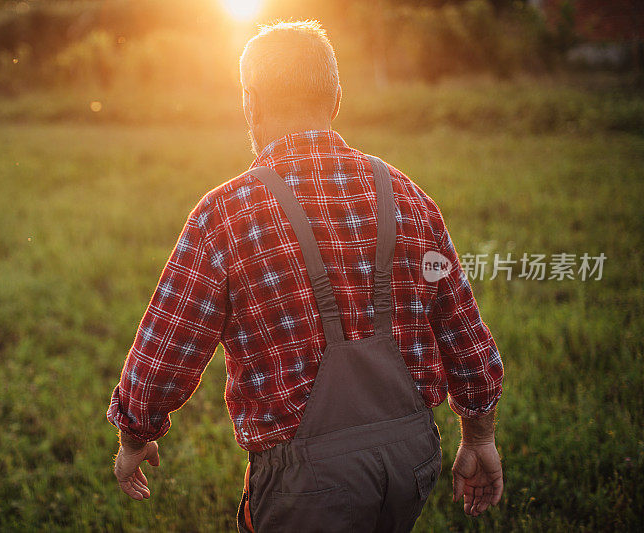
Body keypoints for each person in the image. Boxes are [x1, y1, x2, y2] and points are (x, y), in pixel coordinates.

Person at [107, 20, 504, 532]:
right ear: (336, 98)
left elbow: (168, 346)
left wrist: (134, 436)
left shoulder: (226, 213)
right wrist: (478, 437)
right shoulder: (407, 195)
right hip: (412, 460)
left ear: (250, 102)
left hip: (306, 482)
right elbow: (464, 333)